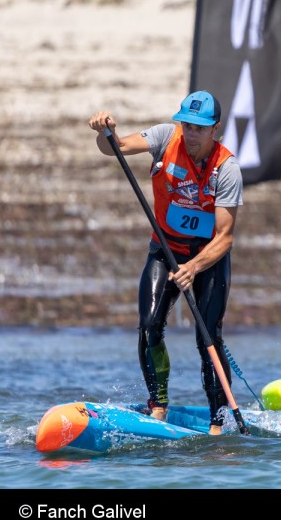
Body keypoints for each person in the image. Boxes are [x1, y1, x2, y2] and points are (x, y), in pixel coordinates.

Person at [88, 91, 241, 434]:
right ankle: (158, 404)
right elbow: (116, 147)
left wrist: (194, 267)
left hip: (207, 259)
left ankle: (218, 423)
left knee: (208, 338)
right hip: (165, 249)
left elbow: (226, 237)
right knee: (149, 324)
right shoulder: (163, 138)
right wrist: (104, 132)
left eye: (200, 128)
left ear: (215, 129)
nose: (191, 134)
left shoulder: (226, 168)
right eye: (186, 125)